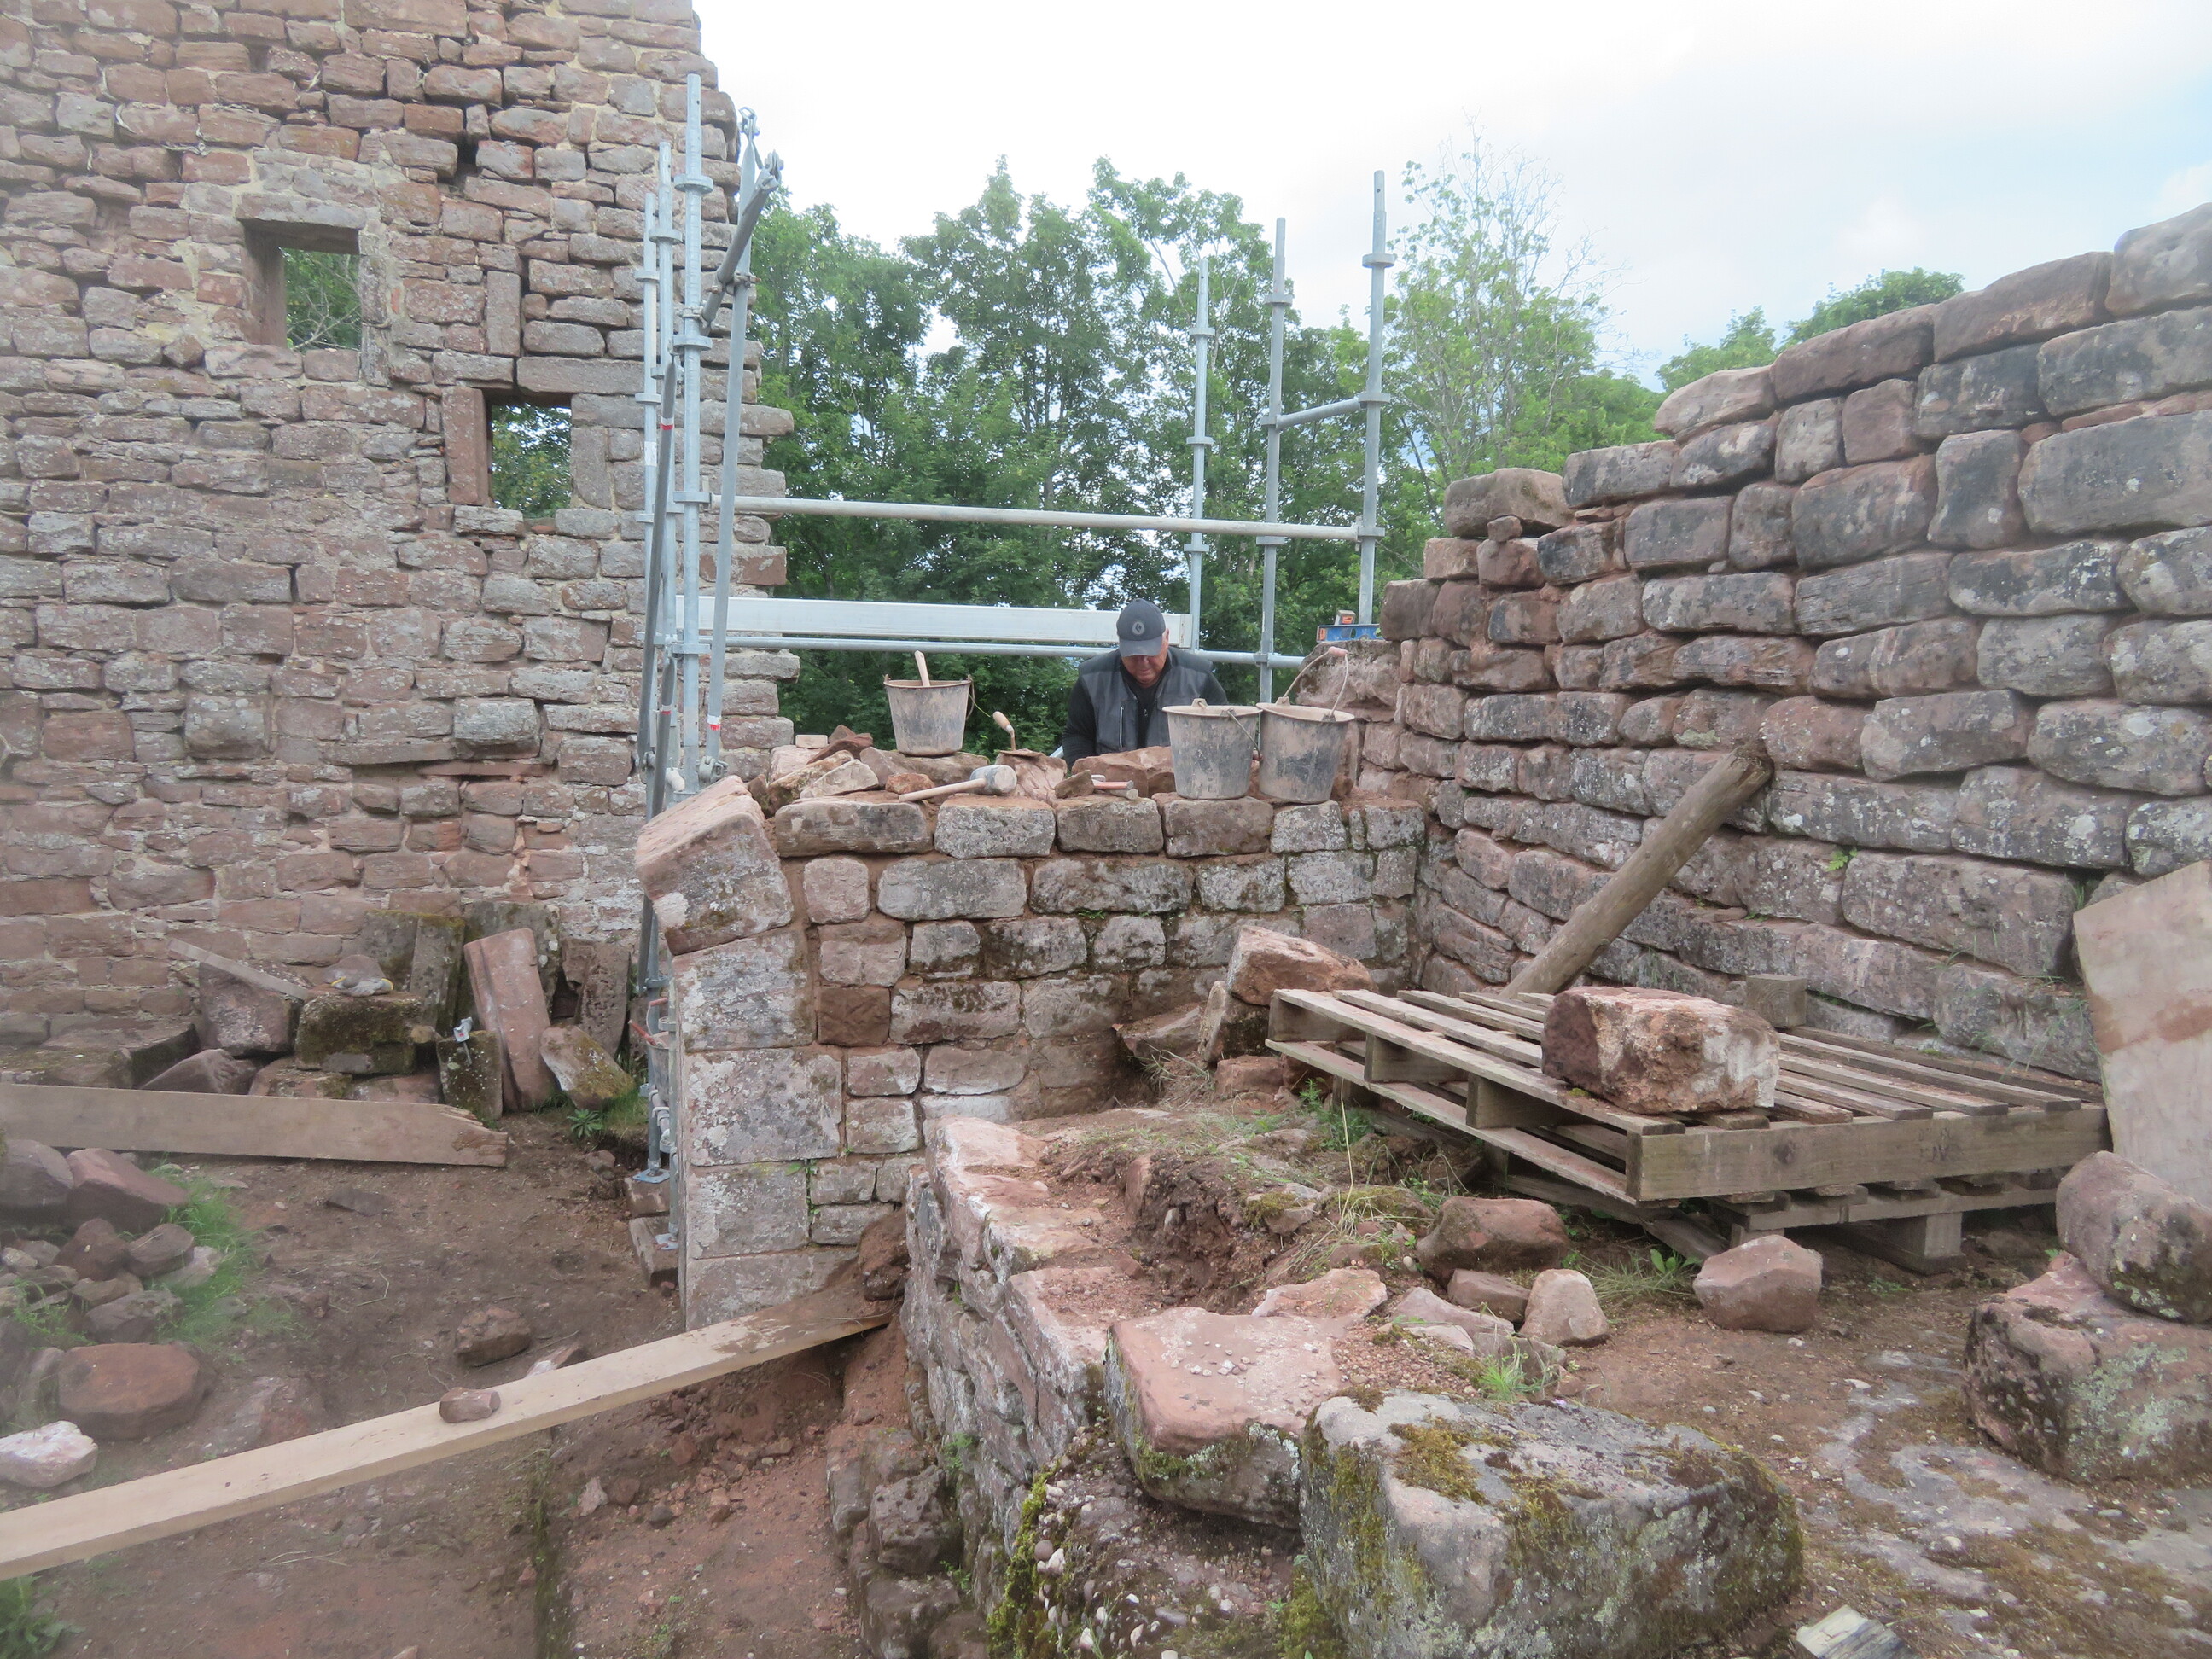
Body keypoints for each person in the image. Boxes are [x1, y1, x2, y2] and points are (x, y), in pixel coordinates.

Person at [1057, 599, 1227, 761]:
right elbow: (1077, 736)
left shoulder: (1199, 679)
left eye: (1151, 653)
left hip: (1180, 779)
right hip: (1110, 779)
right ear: (1120, 644)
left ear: (1167, 638)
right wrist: (1089, 775)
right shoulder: (1092, 679)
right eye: (1134, 655)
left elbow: (1223, 734)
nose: (1143, 662)